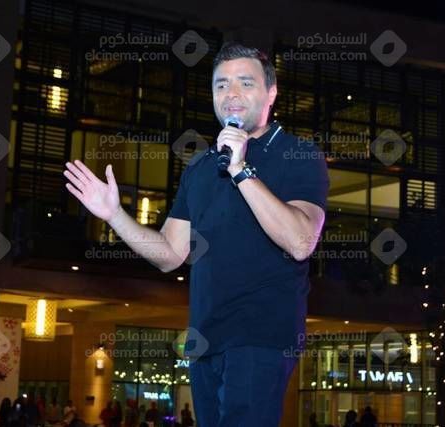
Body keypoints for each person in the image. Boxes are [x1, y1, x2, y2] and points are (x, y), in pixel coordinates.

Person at [63, 42, 328, 427]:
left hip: (261, 336)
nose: (231, 94)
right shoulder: (201, 168)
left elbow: (301, 242)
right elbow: (170, 254)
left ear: (271, 93)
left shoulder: (299, 155)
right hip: (205, 339)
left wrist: (241, 170)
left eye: (245, 83)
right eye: (221, 85)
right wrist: (115, 215)